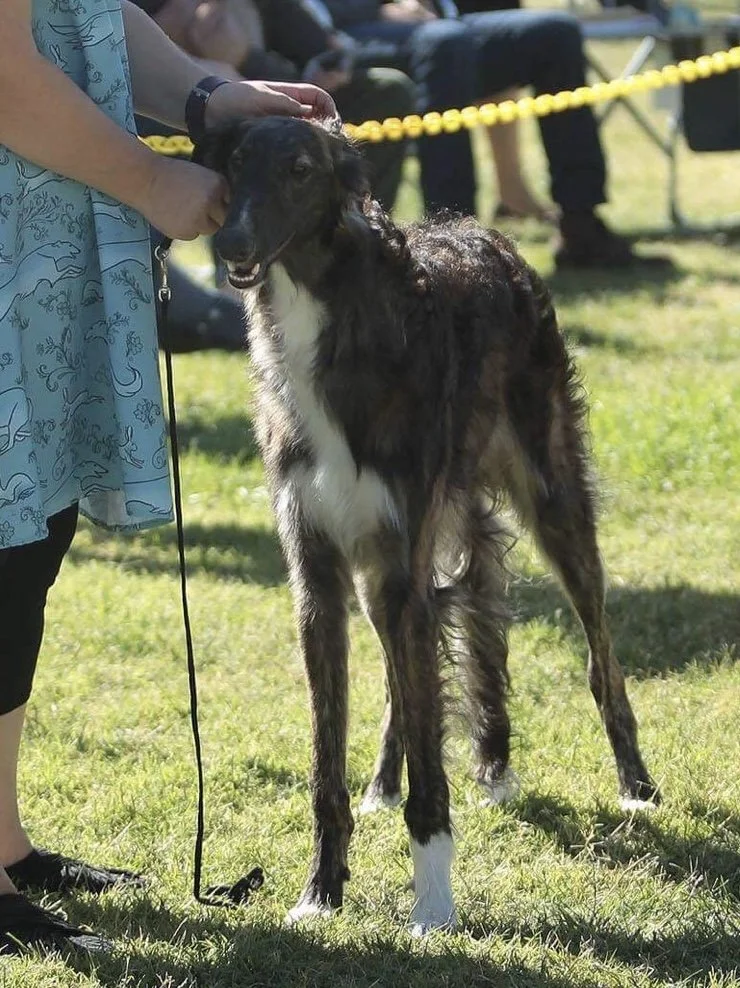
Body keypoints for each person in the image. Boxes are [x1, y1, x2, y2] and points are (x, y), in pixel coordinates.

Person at [0, 0, 333, 955]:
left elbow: (85, 12)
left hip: (40, 230)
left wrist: (210, 95)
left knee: (27, 539)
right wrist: (147, 177)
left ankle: (5, 845)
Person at [323, 0, 669, 267]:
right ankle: (454, 245)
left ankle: (582, 227)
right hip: (337, 35)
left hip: (433, 22)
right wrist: (381, 8)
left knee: (555, 33)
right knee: (446, 45)